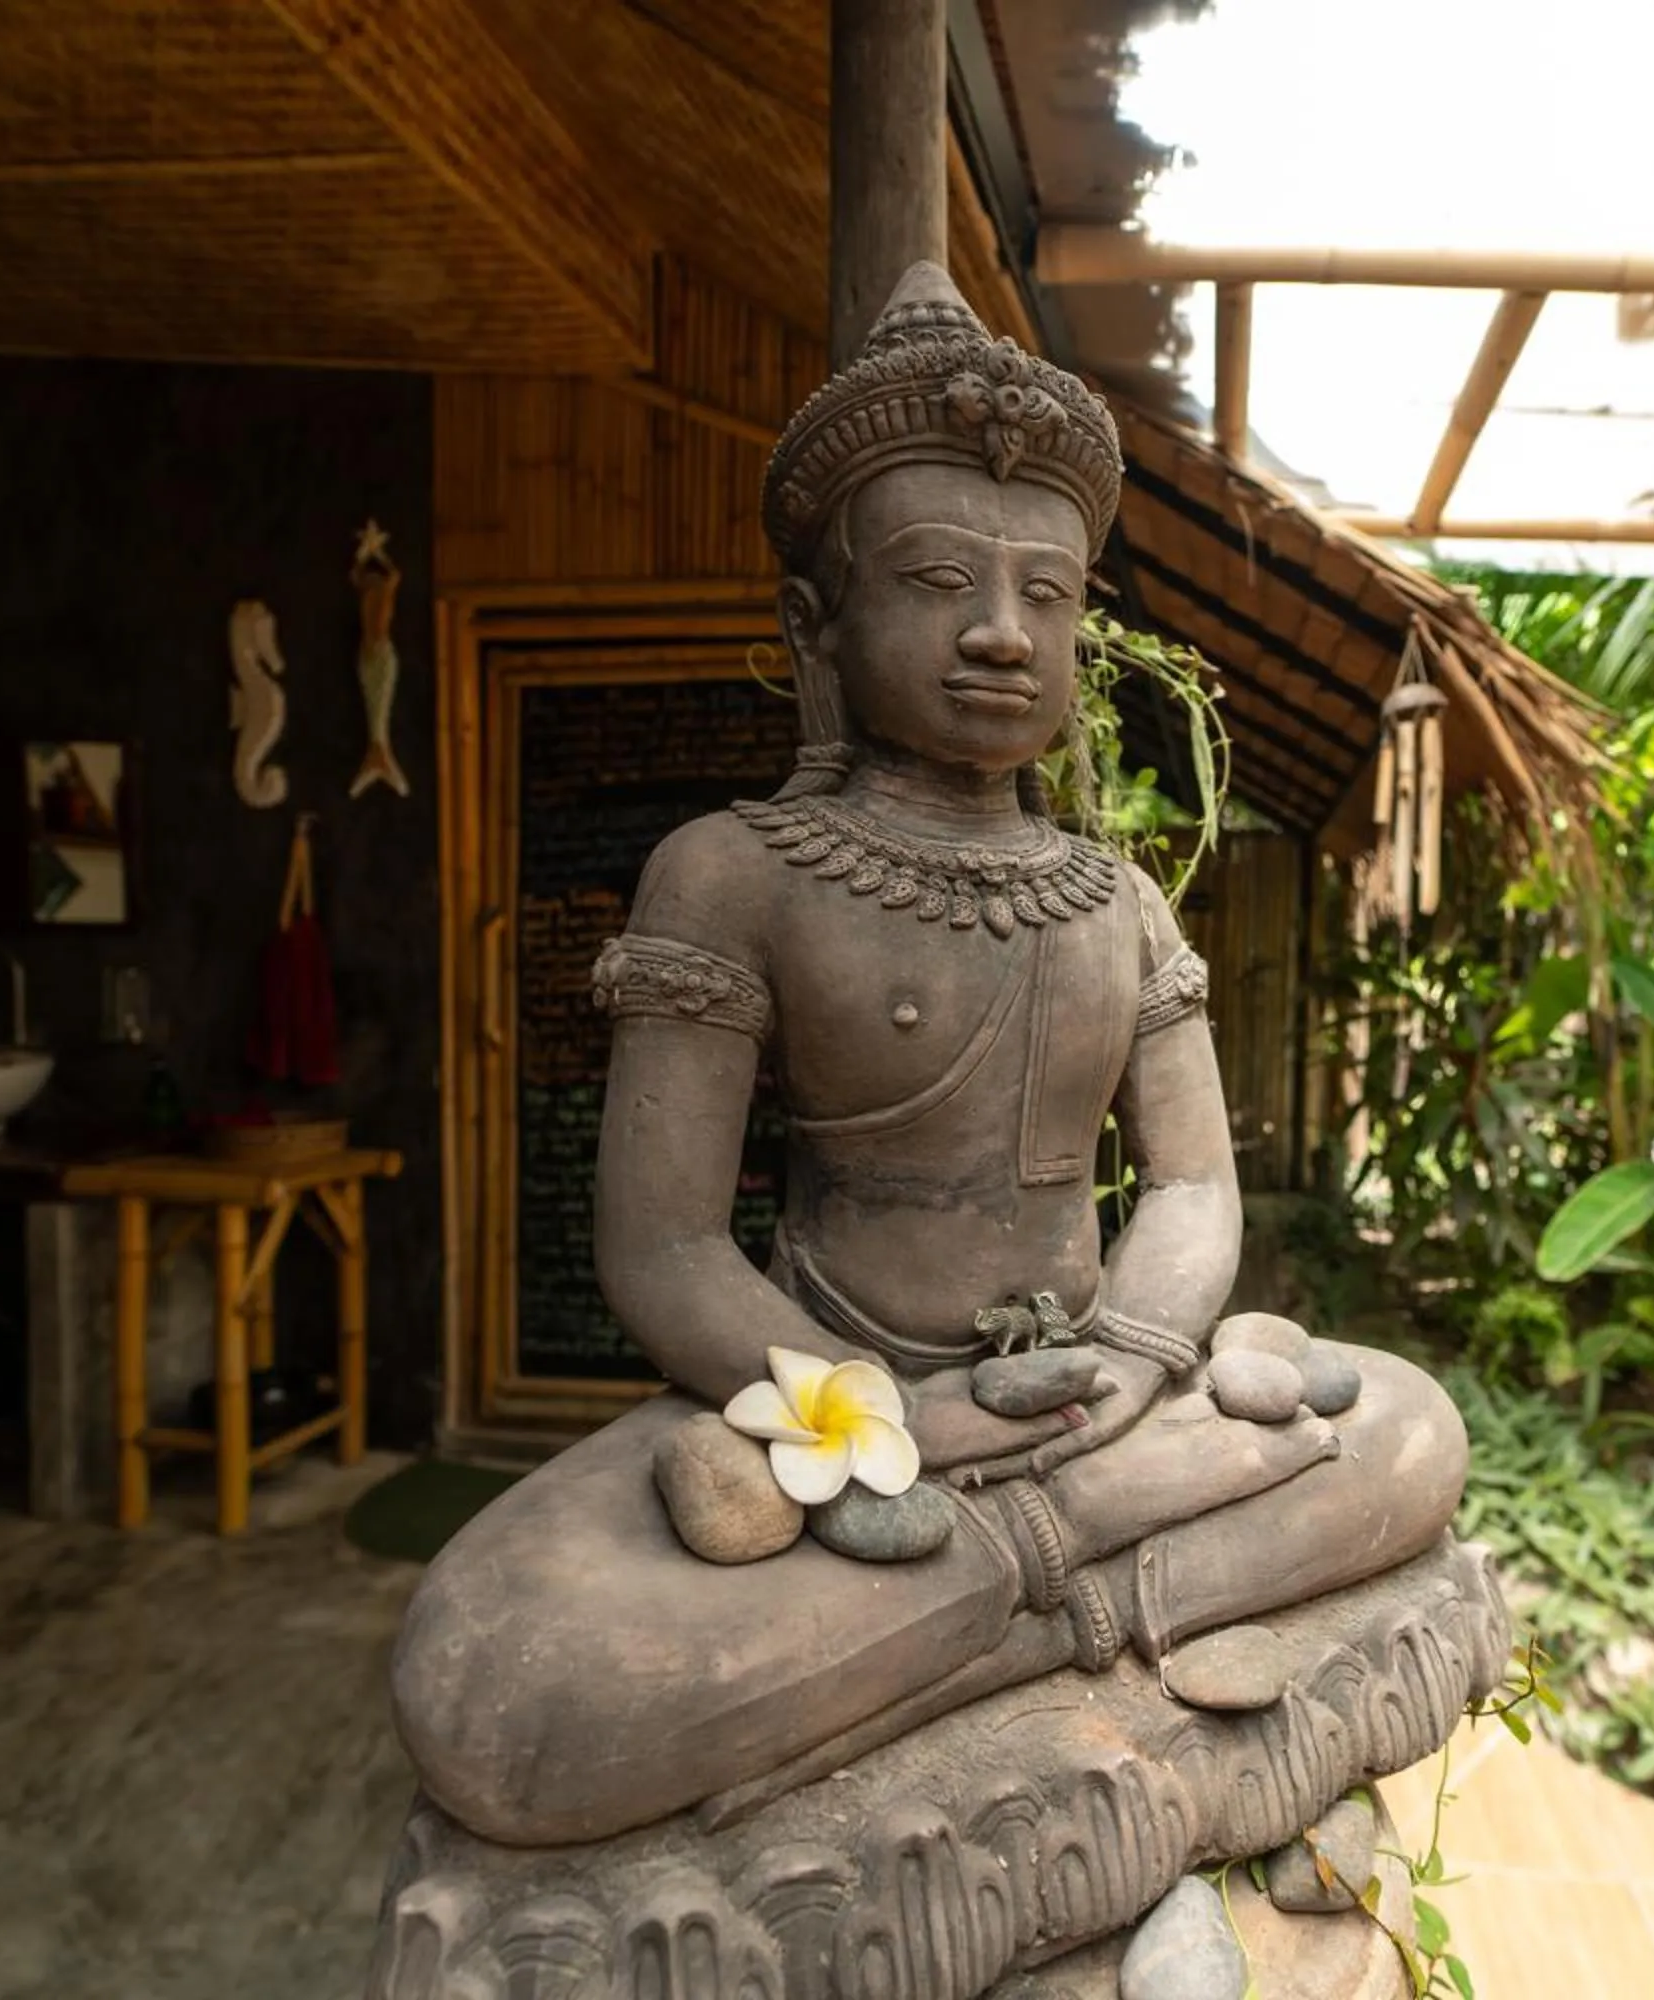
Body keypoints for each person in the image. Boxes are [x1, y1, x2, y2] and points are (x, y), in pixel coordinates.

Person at [384, 264, 1473, 1850]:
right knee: (498, 1691)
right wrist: (911, 1420)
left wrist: (1137, 1366)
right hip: (835, 1408)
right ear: (815, 624)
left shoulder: (1110, 898)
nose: (997, 634)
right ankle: (1074, 1603)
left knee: (1410, 1430)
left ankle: (1001, 1620)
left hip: (1103, 1402)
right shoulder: (734, 872)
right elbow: (667, 1244)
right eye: (938, 582)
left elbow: (1188, 1193)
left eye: (1046, 594)